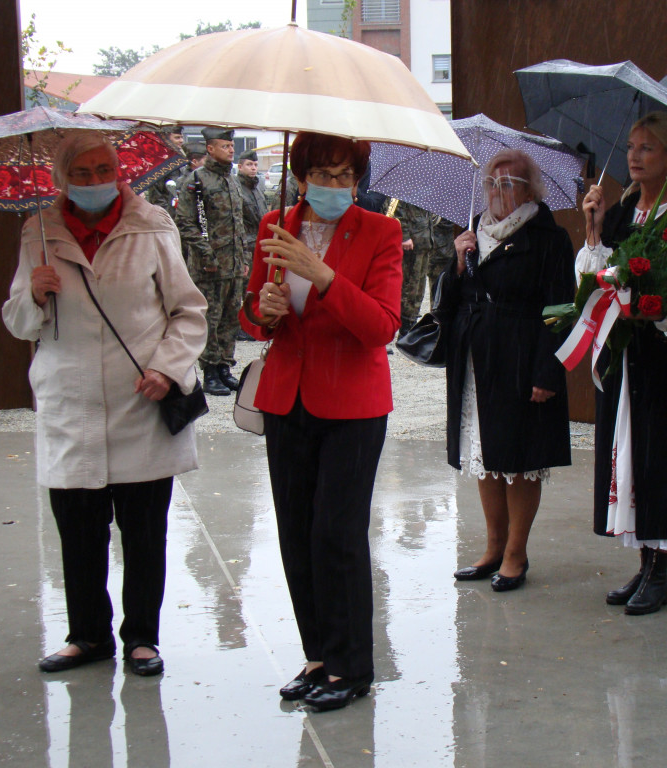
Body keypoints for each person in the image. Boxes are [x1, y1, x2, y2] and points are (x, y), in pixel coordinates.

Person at [1, 133, 207, 677]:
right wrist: (33, 296)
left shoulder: (153, 225)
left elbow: (188, 312)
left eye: (103, 169)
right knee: (79, 528)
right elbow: (19, 322)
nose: (95, 181)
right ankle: (87, 636)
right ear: (61, 178)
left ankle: (142, 637)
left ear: (121, 170)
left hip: (140, 398)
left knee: (143, 531)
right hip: (70, 401)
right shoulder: (38, 232)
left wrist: (168, 368)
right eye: (82, 173)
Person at [238, 132, 402, 711]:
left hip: (353, 406)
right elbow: (253, 308)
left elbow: (383, 326)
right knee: (297, 532)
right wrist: (264, 310)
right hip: (287, 398)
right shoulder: (274, 223)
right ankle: (317, 654)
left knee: (337, 534)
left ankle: (351, 666)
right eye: (322, 174)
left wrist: (324, 275)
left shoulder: (381, 231)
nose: (333, 186)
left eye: (344, 175)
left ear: (358, 179)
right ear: (300, 173)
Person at [578, 112, 667, 615]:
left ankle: (661, 572)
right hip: (626, 358)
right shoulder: (622, 210)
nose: (633, 155)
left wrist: (653, 297)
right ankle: (644, 562)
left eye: (647, 148)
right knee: (630, 455)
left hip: (666, 358)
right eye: (631, 146)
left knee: (661, 459)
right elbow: (594, 279)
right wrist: (592, 227)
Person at [443, 150, 574, 593]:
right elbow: (453, 301)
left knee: (519, 460)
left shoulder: (548, 238)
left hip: (521, 356)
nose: (498, 193)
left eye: (509, 184)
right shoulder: (474, 232)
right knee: (484, 454)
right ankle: (493, 547)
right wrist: (457, 263)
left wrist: (547, 372)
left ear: (530, 190)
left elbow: (560, 310)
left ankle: (516, 552)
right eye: (492, 184)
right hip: (477, 357)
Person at [175, 127, 247, 397]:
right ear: (210, 149)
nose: (230, 150)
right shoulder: (197, 181)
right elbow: (186, 223)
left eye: (231, 146)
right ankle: (210, 371)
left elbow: (239, 225)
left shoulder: (233, 181)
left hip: (233, 265)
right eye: (225, 146)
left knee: (230, 318)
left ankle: (225, 367)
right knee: (210, 319)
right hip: (210, 266)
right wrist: (207, 254)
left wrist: (243, 258)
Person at [384, 198, 458, 335]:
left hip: (424, 241)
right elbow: (396, 212)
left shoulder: (425, 190)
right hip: (412, 243)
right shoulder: (406, 187)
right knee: (409, 286)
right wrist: (404, 236)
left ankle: (410, 323)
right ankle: (405, 326)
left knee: (418, 288)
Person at [237, 149, 268, 342]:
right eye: (249, 165)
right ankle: (242, 324)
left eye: (255, 165)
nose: (253, 168)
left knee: (255, 285)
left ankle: (253, 320)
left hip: (258, 242)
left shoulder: (257, 187)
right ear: (240, 167)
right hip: (245, 244)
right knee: (244, 286)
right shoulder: (237, 187)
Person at [144, 125, 185, 217]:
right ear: (166, 138)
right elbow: (157, 197)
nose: (181, 141)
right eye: (177, 137)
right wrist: (167, 216)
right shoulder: (160, 162)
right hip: (168, 215)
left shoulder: (182, 158)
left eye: (182, 137)